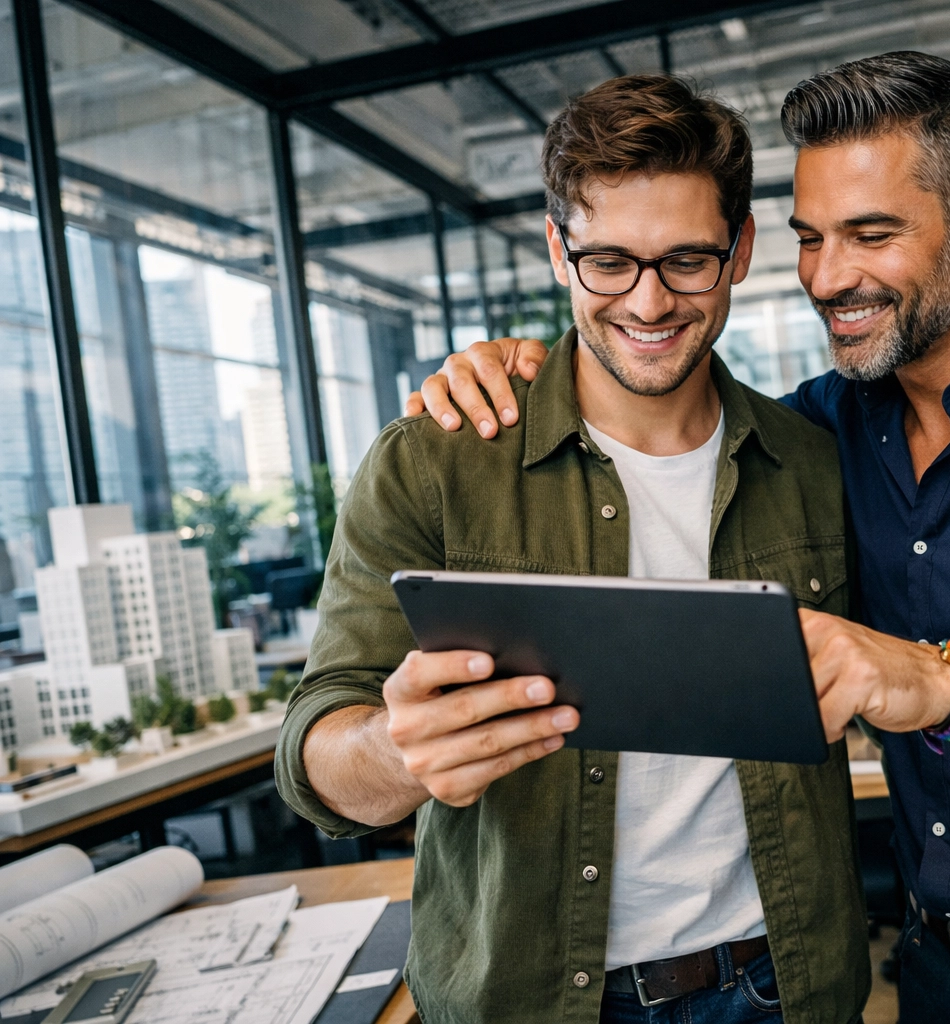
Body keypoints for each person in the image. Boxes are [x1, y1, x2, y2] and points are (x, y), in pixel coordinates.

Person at [411, 52, 950, 1023]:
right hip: (934, 972)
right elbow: (657, 401)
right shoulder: (821, 430)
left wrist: (938, 682)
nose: (830, 278)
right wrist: (517, 368)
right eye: (812, 239)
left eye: (871, 234)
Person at [274, 76, 871, 1024]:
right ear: (558, 249)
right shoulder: (436, 462)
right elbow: (313, 747)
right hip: (531, 998)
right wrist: (397, 752)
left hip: (784, 986)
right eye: (608, 262)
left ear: (741, 251)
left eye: (686, 260)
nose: (648, 301)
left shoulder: (813, 461)